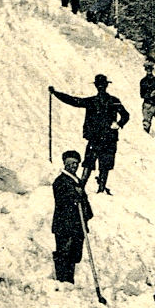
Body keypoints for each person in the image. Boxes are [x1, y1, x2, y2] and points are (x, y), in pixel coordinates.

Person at [50, 75, 129, 194]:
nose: (101, 87)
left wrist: (119, 124)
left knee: (101, 163)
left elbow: (126, 115)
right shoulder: (97, 101)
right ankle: (85, 186)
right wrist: (56, 93)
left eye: (102, 85)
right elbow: (74, 101)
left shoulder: (111, 101)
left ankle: (96, 188)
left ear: (105, 86)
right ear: (97, 86)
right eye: (99, 85)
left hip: (105, 138)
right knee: (92, 162)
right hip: (98, 137)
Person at [52, 151, 92, 283]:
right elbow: (62, 202)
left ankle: (69, 281)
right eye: (71, 163)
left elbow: (84, 202)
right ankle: (62, 280)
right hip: (65, 225)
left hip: (77, 225)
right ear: (65, 164)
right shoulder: (60, 181)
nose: (74, 166)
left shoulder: (77, 181)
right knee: (64, 253)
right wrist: (75, 197)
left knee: (74, 255)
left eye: (76, 163)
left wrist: (86, 214)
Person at [139, 62, 155, 136]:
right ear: (145, 70)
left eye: (150, 69)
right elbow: (142, 94)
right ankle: (145, 138)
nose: (149, 71)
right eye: (147, 69)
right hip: (148, 105)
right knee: (146, 123)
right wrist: (150, 95)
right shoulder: (143, 81)